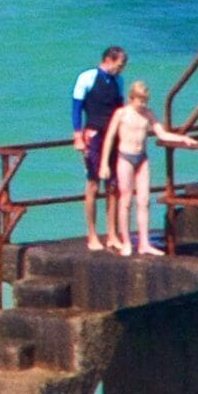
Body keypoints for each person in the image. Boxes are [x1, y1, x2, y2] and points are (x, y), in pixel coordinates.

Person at [98, 84, 198, 257]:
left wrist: (183, 139)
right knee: (125, 201)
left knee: (144, 200)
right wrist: (104, 163)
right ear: (132, 98)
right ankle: (126, 242)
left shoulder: (148, 114)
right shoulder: (122, 113)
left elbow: (162, 134)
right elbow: (109, 137)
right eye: (140, 100)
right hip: (125, 157)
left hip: (142, 158)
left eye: (145, 100)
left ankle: (144, 243)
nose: (142, 104)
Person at [69, 45, 127, 248]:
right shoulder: (87, 77)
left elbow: (121, 109)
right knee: (93, 184)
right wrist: (78, 135)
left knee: (113, 185)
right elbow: (76, 107)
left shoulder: (118, 81)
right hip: (93, 135)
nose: (121, 69)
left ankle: (112, 233)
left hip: (114, 136)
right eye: (119, 65)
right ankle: (92, 234)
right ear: (109, 60)